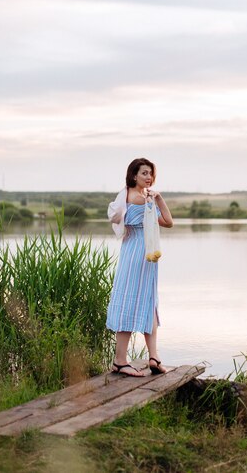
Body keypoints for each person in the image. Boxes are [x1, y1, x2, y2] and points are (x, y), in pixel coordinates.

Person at [106, 158, 173, 377]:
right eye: (144, 173)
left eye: (151, 174)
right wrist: (156, 199)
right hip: (138, 255)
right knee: (131, 301)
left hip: (142, 255)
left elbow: (167, 222)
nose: (148, 177)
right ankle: (120, 360)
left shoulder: (140, 198)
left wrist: (158, 197)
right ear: (134, 175)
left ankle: (153, 357)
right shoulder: (138, 198)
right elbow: (167, 220)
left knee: (148, 302)